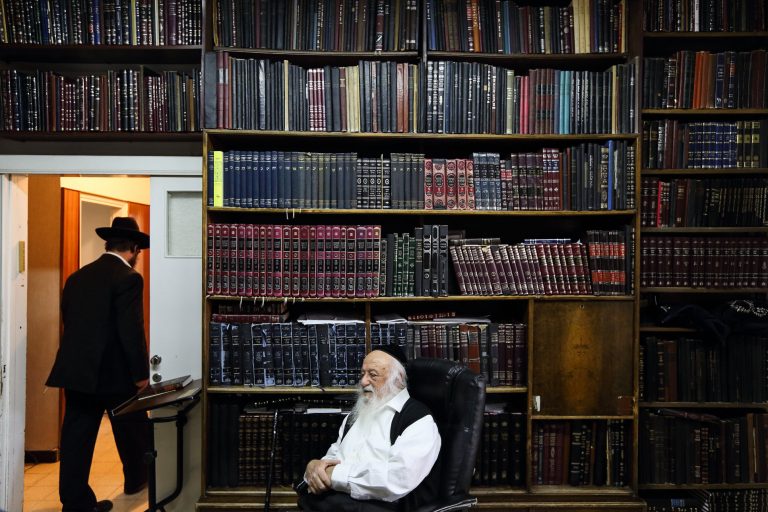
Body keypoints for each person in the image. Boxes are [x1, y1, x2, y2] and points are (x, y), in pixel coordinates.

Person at [46, 216, 152, 512]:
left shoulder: (77, 277)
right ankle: (136, 480)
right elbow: (131, 330)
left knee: (76, 440)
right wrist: (141, 375)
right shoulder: (129, 278)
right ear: (134, 249)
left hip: (77, 372)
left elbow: (70, 320)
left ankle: (75, 503)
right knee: (134, 430)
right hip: (114, 373)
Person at [299, 345, 441, 512]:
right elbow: (335, 456)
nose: (363, 381)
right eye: (362, 374)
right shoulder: (356, 415)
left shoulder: (418, 420)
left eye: (372, 375)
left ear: (398, 378)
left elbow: (396, 480)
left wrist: (335, 475)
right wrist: (315, 467)